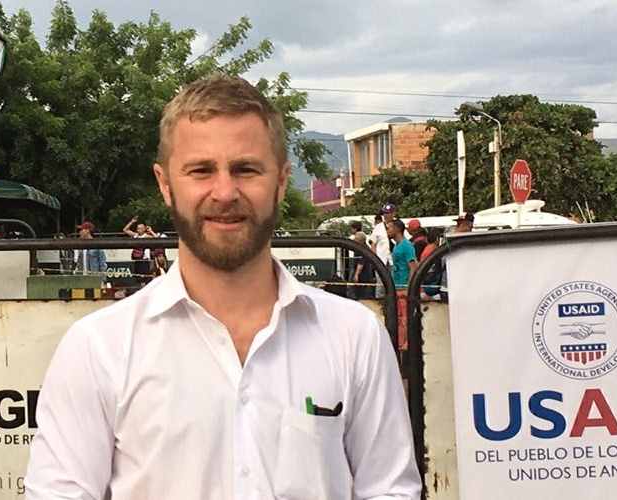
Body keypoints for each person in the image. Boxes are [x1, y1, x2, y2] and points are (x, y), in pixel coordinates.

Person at [26, 75, 420, 499]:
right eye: (201, 170)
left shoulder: (354, 336)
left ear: (282, 181)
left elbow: (389, 490)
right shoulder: (99, 347)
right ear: (164, 184)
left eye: (246, 169)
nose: (225, 191)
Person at [386, 218, 417, 350]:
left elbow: (413, 267)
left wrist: (410, 287)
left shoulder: (407, 246)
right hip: (396, 286)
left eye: (390, 228)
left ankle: (405, 343)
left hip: (404, 287)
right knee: (398, 317)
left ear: (397, 229)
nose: (387, 231)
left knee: (404, 317)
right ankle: (399, 342)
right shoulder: (397, 247)